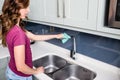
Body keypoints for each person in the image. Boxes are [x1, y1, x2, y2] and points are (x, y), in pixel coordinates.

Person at [0, 0, 63, 80]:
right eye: (25, 7)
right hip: (20, 77)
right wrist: (36, 71)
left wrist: (56, 36)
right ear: (15, 9)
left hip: (12, 71)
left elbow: (34, 37)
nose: (28, 10)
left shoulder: (13, 27)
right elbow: (21, 67)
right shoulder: (18, 33)